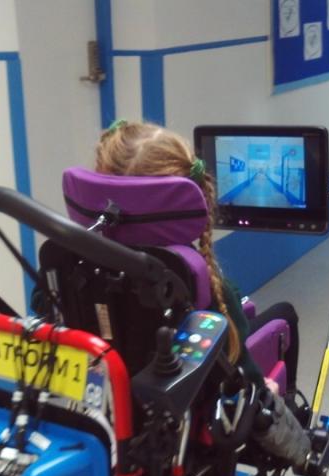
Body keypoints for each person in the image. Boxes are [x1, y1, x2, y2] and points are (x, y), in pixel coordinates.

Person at [94, 119, 301, 398]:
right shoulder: (202, 286)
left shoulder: (72, 263)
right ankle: (289, 398)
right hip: (202, 414)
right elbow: (244, 376)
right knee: (285, 313)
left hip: (115, 400)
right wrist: (266, 390)